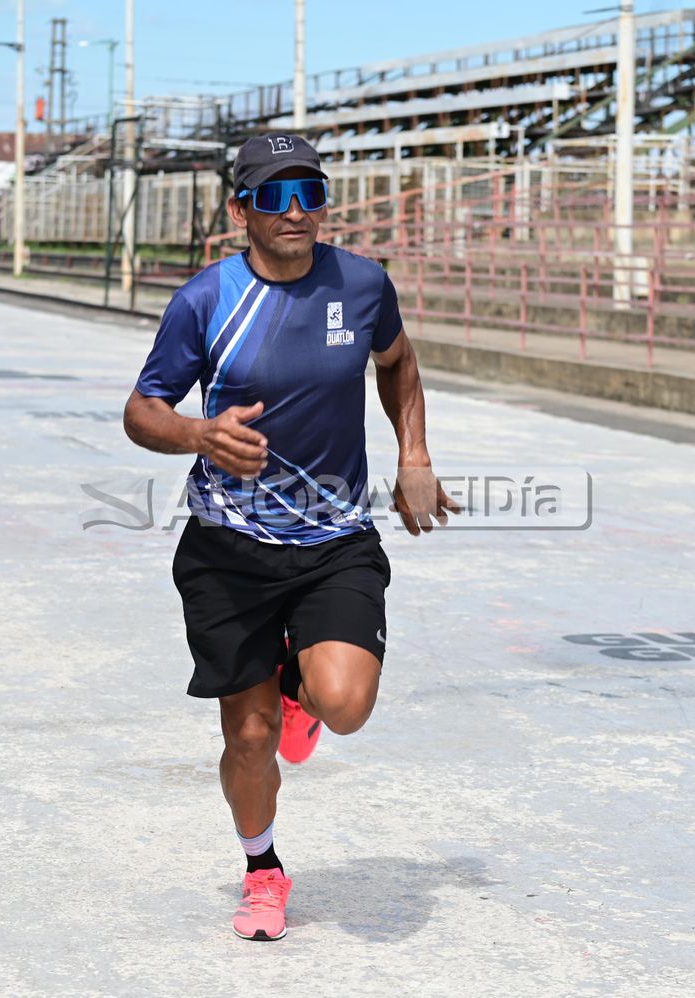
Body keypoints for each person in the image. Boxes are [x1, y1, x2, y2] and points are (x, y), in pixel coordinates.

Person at [123, 134, 457, 941]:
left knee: (342, 705)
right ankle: (263, 870)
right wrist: (199, 435)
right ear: (241, 211)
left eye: (311, 191)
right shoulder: (206, 301)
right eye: (274, 196)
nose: (297, 210)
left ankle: (296, 681)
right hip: (228, 549)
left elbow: (398, 362)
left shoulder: (363, 283)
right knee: (250, 735)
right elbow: (143, 411)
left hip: (335, 539)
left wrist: (414, 454)